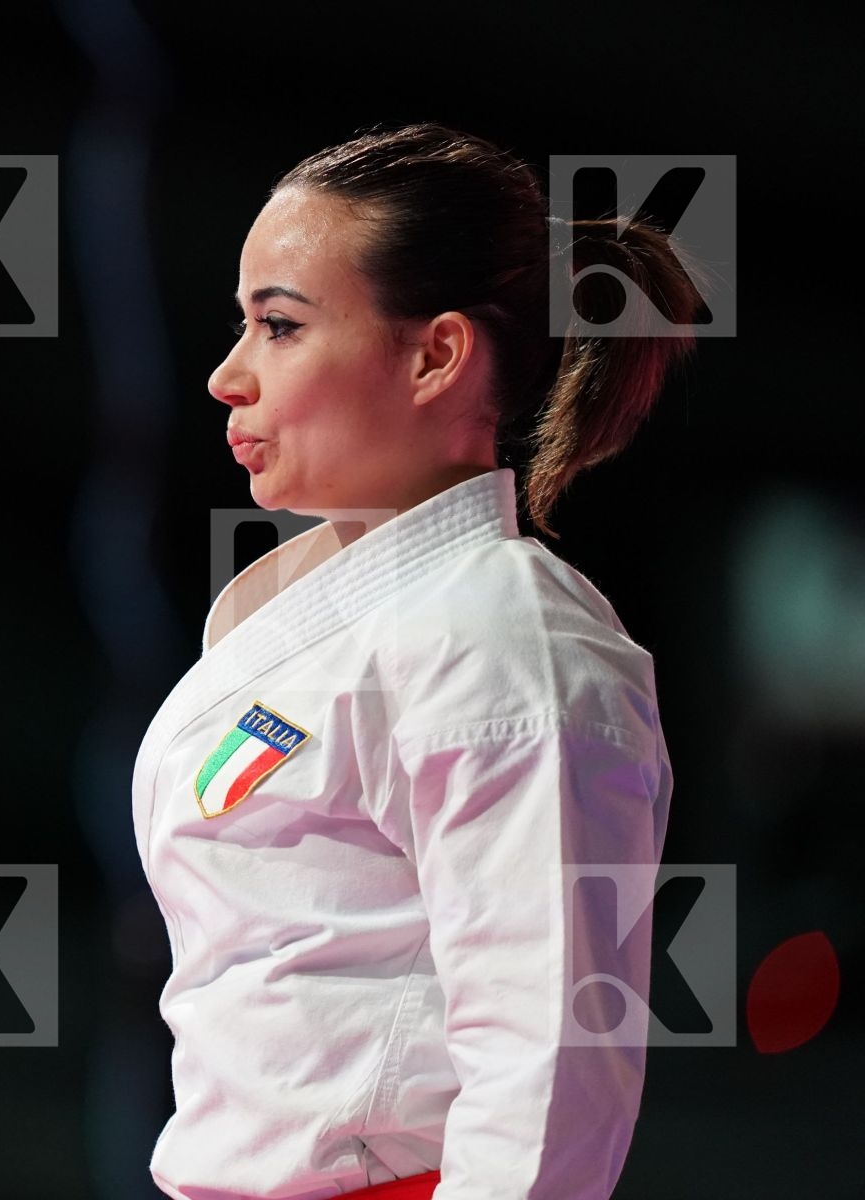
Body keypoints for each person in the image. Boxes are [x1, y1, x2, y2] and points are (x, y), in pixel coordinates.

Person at [132, 122, 706, 1199]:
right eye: (241, 324)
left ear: (436, 355)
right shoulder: (289, 608)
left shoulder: (508, 638)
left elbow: (548, 1079)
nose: (227, 376)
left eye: (281, 326)